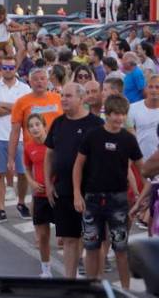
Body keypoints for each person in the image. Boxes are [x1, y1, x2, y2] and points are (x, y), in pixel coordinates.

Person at [73, 94, 144, 289]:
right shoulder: (93, 136)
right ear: (107, 114)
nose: (119, 118)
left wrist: (143, 197)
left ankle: (125, 290)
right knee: (92, 248)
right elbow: (78, 165)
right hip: (92, 199)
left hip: (118, 201)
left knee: (121, 250)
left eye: (122, 114)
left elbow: (142, 169)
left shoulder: (129, 139)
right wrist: (77, 194)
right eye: (115, 114)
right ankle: (92, 288)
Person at [43, 81, 102, 278]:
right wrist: (49, 183)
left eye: (68, 96)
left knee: (91, 239)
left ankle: (93, 282)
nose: (63, 99)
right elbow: (49, 155)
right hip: (64, 189)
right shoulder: (58, 123)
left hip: (91, 191)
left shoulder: (96, 124)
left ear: (81, 98)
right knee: (69, 238)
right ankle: (69, 282)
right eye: (62, 95)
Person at [0, 55, 32, 223]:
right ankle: (1, 208)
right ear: (0, 69)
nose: (7, 71)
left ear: (15, 69)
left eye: (10, 68)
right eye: (4, 68)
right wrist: (15, 108)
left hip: (20, 138)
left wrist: (1, 104)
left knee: (23, 173)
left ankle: (21, 203)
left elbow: (27, 111)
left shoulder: (25, 88)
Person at [23, 114, 54, 278]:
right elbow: (26, 167)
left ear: (44, 126)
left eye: (37, 125)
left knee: (68, 236)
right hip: (39, 195)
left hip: (57, 195)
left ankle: (74, 269)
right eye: (31, 126)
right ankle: (46, 270)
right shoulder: (28, 147)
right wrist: (32, 182)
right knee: (42, 235)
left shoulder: (54, 144)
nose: (35, 128)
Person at [126, 74, 159, 161]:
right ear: (145, 89)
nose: (154, 90)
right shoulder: (132, 108)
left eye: (157, 87)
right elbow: (128, 135)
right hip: (140, 161)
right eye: (150, 87)